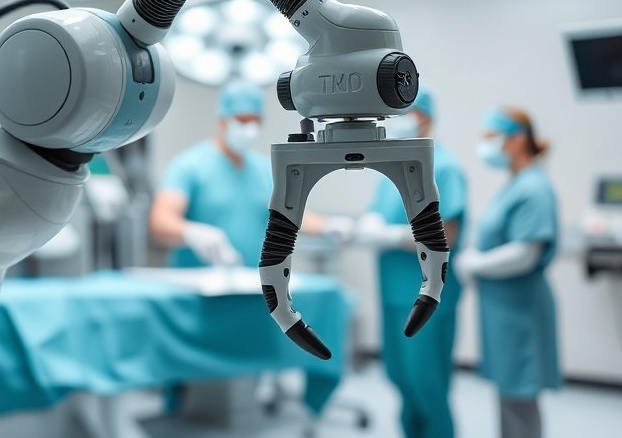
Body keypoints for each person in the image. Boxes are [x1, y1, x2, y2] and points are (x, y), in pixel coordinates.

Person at [355, 90, 467, 438]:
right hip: (393, 295)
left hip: (427, 298)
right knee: (401, 379)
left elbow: (446, 235)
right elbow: (378, 215)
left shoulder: (444, 168)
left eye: (404, 113)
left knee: (426, 383)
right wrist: (364, 226)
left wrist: (391, 236)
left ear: (425, 118)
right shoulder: (392, 169)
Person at [149, 81, 351, 268]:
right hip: (196, 288)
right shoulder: (188, 165)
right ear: (222, 120)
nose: (249, 128)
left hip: (251, 283)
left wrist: (328, 226)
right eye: (242, 120)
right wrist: (192, 234)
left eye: (256, 120)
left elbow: (286, 215)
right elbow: (160, 222)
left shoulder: (263, 169)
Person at [457, 107, 561, 438]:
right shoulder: (516, 184)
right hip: (504, 308)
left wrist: (474, 263)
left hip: (520, 310)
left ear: (517, 140)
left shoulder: (534, 188)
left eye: (491, 138)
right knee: (508, 395)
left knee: (519, 398)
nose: (484, 147)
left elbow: (525, 254)